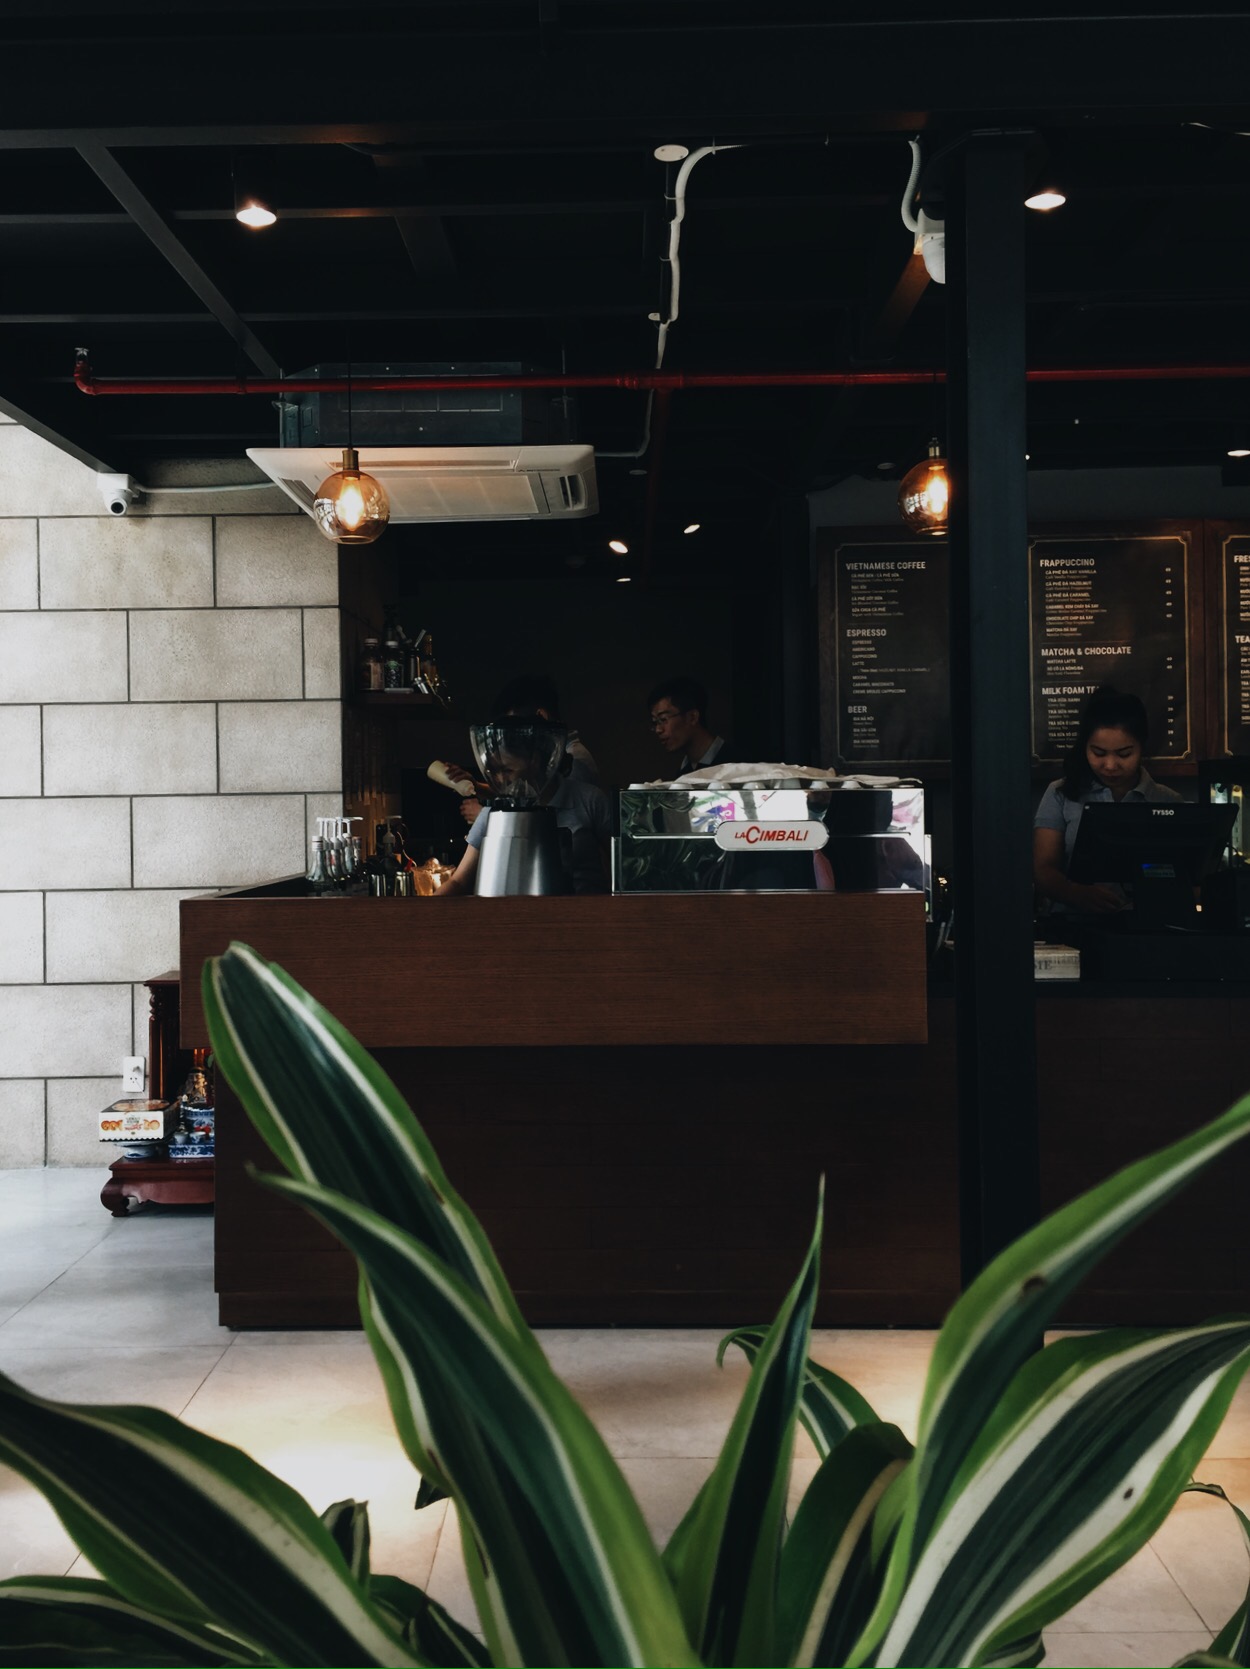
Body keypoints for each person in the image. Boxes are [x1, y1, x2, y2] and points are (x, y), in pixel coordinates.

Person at [1033, 686, 1183, 914]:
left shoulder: (1167, 800)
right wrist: (1075, 893)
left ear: (1142, 747)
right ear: (1084, 747)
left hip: (1147, 925)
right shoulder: (1060, 793)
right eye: (1099, 753)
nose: (1110, 765)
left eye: (1124, 754)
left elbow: (1183, 874)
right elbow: (1042, 870)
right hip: (1072, 925)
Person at [438, 718, 613, 897]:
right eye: (494, 772)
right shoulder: (495, 812)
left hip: (586, 910)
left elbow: (622, 868)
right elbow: (459, 881)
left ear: (534, 762)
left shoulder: (590, 800)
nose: (500, 779)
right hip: (514, 913)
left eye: (507, 770)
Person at [442, 675, 600, 827]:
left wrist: (490, 819)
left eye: (515, 725)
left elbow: (559, 810)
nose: (510, 735)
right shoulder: (551, 762)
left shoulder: (576, 761)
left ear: (541, 716)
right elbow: (523, 792)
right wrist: (476, 787)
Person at [647, 676, 740, 777]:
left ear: (692, 717)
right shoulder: (684, 770)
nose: (658, 729)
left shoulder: (737, 766)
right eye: (655, 722)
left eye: (663, 719)